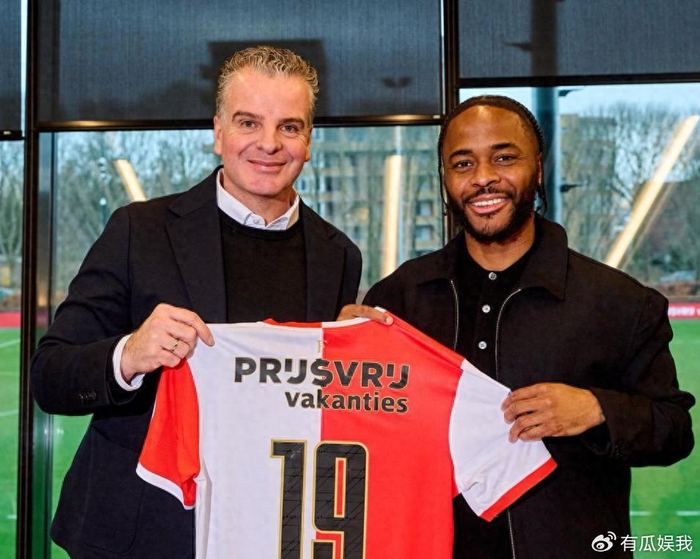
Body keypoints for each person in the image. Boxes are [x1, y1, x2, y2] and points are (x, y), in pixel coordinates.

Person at [31, 46, 362, 559]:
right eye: (248, 122)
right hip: (141, 531)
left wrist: (357, 353)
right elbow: (50, 376)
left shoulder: (338, 255)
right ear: (218, 132)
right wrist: (128, 356)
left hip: (267, 527)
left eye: (289, 127)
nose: (269, 144)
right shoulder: (139, 231)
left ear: (309, 141)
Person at [358, 95, 695, 558]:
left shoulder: (620, 302)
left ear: (537, 168)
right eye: (462, 163)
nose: (483, 177)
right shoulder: (399, 299)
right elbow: (361, 433)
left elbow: (674, 430)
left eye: (503, 158)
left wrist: (597, 410)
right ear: (444, 178)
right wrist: (342, 352)